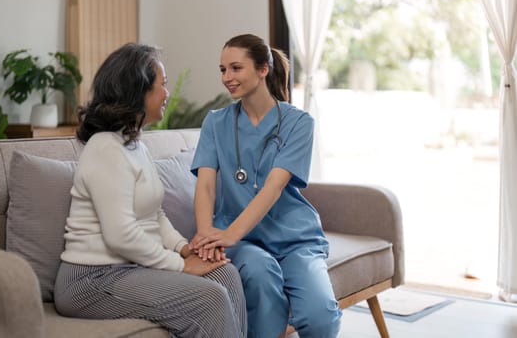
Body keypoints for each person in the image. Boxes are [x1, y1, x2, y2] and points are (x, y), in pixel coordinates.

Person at [53, 42, 247, 338]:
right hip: (90, 279)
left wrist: (186, 249)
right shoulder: (105, 148)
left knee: (227, 274)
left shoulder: (135, 145)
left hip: (130, 268)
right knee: (210, 299)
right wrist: (180, 266)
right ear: (137, 91)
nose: (167, 93)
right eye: (162, 84)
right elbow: (120, 234)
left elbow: (154, 215)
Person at [189, 34, 342, 338]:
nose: (227, 78)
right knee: (261, 281)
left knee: (320, 318)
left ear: (263, 69)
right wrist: (207, 234)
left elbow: (272, 188)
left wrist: (229, 234)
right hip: (246, 243)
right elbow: (206, 186)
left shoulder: (299, 123)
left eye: (235, 68)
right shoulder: (215, 122)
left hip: (294, 237)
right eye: (222, 70)